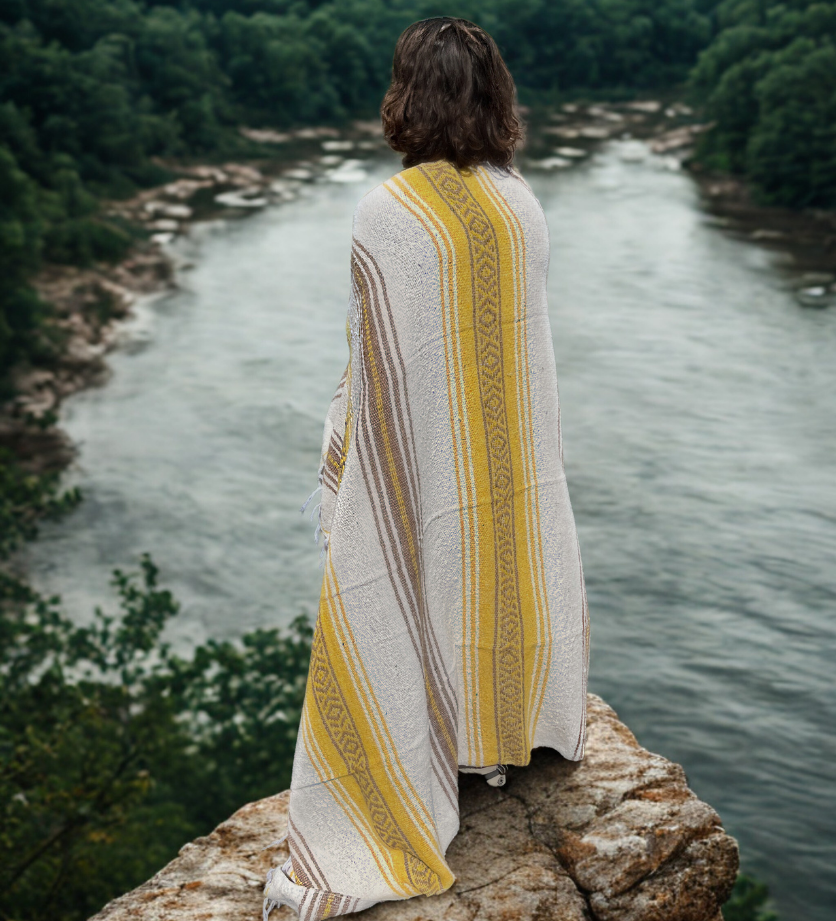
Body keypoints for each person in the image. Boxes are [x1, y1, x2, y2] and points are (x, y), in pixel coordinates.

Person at [263, 16, 589, 920]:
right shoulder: (519, 202)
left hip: (423, 461)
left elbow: (374, 366)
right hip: (508, 465)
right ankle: (499, 732)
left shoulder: (387, 212)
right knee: (492, 565)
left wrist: (348, 461)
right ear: (495, 97)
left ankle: (420, 756)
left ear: (407, 96)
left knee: (417, 574)